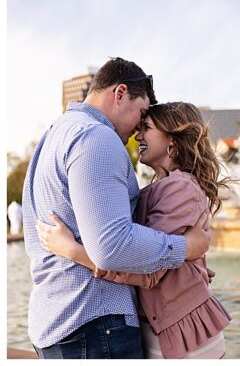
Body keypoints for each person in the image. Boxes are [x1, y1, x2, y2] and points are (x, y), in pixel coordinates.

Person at [21, 57, 210, 359]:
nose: (138, 128)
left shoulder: (54, 135)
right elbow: (111, 246)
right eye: (142, 113)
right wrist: (186, 247)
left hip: (60, 319)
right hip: (95, 321)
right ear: (120, 93)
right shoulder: (97, 137)